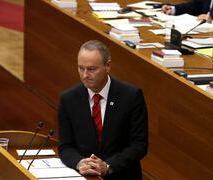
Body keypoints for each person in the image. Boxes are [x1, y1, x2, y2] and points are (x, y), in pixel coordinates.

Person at [58, 40, 148, 179]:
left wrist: (108, 166)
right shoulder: (68, 99)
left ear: (108, 66)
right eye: (81, 68)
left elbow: (139, 145)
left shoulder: (131, 96)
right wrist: (79, 162)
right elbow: (65, 146)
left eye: (91, 69)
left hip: (121, 175)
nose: (85, 75)